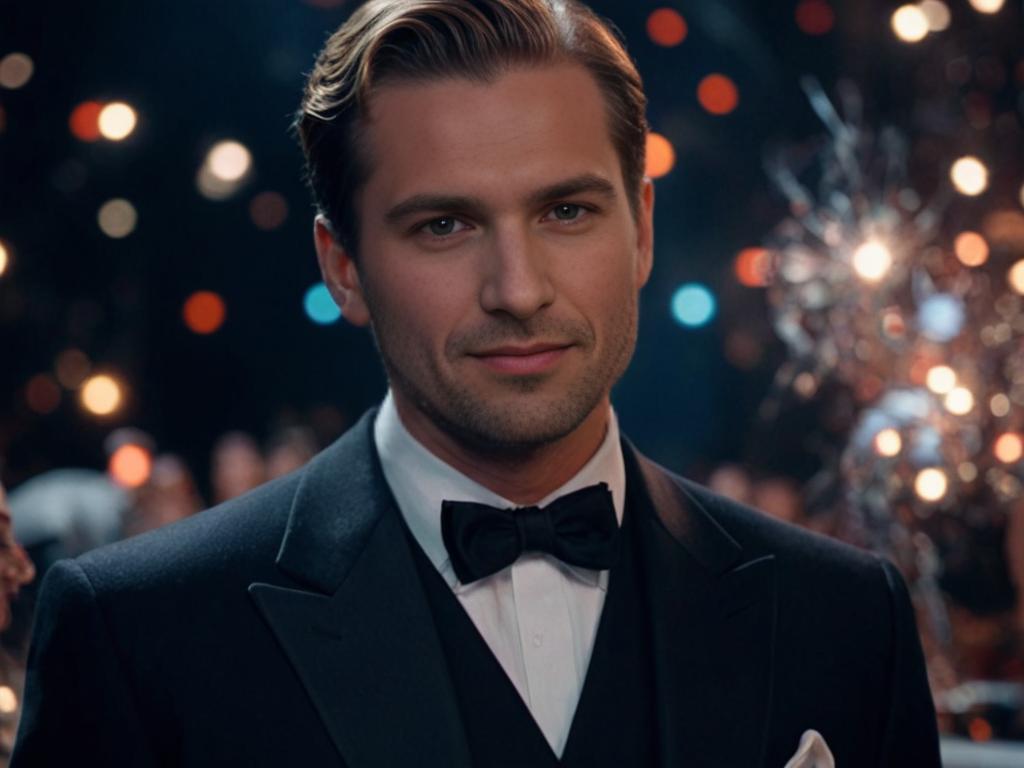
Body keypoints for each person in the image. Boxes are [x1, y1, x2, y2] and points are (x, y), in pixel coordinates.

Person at [12, 1, 940, 765]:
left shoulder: (846, 619)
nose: (519, 290)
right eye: (445, 226)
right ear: (343, 268)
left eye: (568, 211)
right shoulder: (138, 634)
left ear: (642, 229)